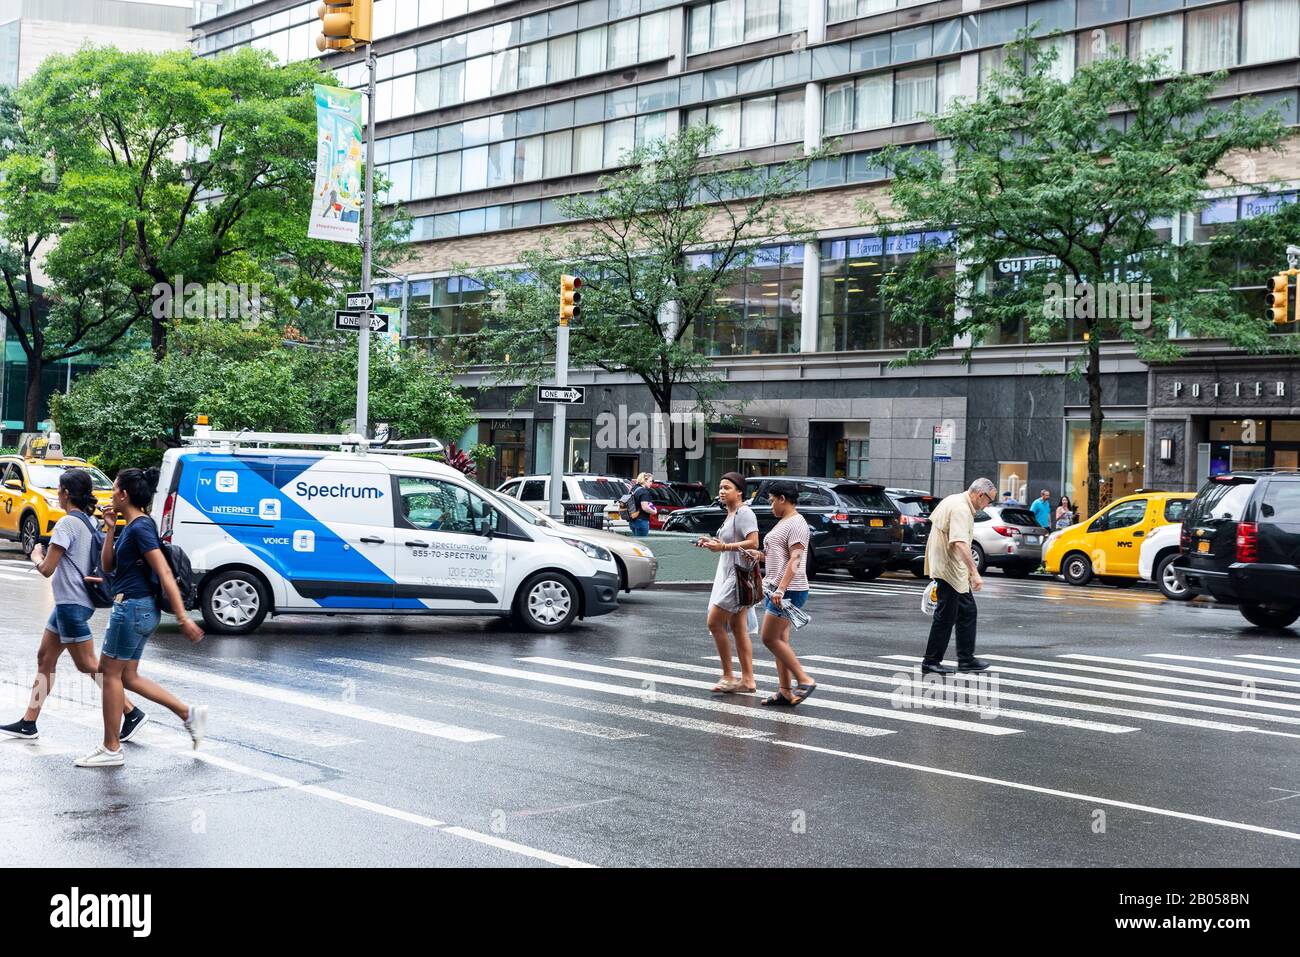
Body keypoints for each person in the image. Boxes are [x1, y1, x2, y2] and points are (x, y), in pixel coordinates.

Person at [74, 467, 208, 769]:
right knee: (128, 676)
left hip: (133, 609)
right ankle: (188, 714)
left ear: (123, 494)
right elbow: (107, 567)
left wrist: (184, 617)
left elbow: (163, 571)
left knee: (108, 673)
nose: (110, 495)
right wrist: (110, 528)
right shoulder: (131, 526)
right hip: (137, 610)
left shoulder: (141, 528)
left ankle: (111, 748)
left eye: (114, 489)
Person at [0, 471, 145, 742]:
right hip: (72, 604)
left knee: (89, 665)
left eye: (59, 489)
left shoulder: (67, 523)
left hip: (71, 605)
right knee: (45, 659)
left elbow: (47, 569)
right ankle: (29, 722)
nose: (57, 492)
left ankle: (130, 711)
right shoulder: (89, 521)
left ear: (66, 493)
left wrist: (35, 554)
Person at [743, 481, 816, 706]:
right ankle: (785, 691)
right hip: (778, 588)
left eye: (772, 500)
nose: (771, 505)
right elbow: (781, 555)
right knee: (780, 640)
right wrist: (760, 555)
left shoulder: (796, 523)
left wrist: (782, 589)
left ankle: (804, 679)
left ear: (783, 499)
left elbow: (795, 559)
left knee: (769, 638)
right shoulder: (785, 522)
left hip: (788, 591)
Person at [921, 478, 995, 676]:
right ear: (980, 495)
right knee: (946, 616)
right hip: (949, 569)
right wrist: (974, 572)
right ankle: (931, 662)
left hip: (950, 568)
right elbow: (960, 543)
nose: (988, 505)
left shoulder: (954, 500)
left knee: (967, 611)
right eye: (989, 501)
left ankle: (966, 659)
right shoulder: (961, 509)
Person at [698, 472, 759, 693]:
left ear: (739, 491)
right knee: (738, 628)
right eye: (721, 487)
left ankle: (728, 676)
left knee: (714, 622)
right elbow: (729, 542)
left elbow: (753, 542)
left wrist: (722, 547)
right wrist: (711, 543)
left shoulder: (744, 512)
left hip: (737, 576)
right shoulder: (730, 513)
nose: (722, 491)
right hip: (729, 573)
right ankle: (748, 680)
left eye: (727, 488)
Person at [626, 472, 658, 537]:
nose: (651, 483)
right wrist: (654, 512)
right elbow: (645, 507)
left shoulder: (633, 489)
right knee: (642, 542)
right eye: (650, 481)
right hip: (641, 521)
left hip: (632, 520)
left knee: (636, 542)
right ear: (644, 481)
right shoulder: (644, 492)